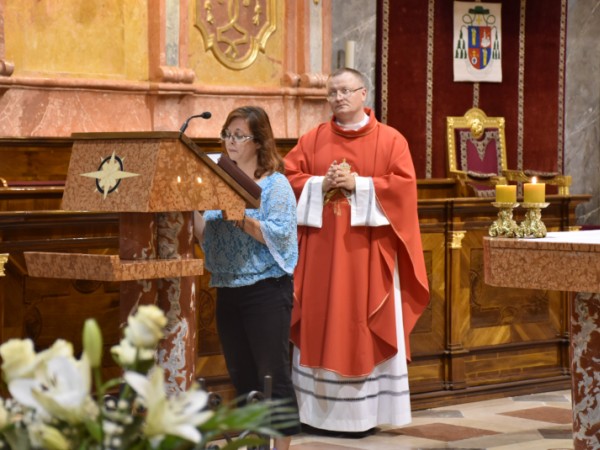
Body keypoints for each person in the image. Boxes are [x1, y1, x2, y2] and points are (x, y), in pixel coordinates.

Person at [284, 68, 430, 433]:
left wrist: (359, 185)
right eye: (332, 92)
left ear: (364, 93)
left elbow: (403, 189)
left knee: (363, 324)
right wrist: (320, 183)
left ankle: (365, 418)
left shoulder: (391, 140)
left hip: (368, 256)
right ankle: (313, 414)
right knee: (319, 319)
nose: (338, 98)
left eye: (346, 91)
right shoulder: (313, 138)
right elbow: (287, 178)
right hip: (321, 256)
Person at [193, 106, 300, 450]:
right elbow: (205, 237)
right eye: (227, 134)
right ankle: (251, 445)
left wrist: (240, 217)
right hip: (228, 289)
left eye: (239, 135)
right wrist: (192, 208)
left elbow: (281, 236)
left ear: (259, 141)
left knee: (273, 376)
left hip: (266, 290)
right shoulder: (218, 179)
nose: (231, 141)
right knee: (242, 375)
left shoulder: (276, 185)